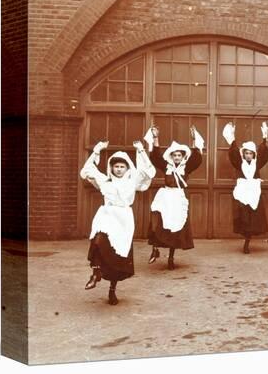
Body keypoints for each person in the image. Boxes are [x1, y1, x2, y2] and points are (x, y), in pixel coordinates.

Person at [80, 140, 155, 305]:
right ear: (111, 168)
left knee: (117, 255)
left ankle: (112, 290)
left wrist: (141, 151)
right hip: (106, 215)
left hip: (123, 219)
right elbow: (86, 171)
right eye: (116, 166)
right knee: (98, 240)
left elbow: (149, 172)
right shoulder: (105, 181)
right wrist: (97, 150)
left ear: (128, 168)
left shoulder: (132, 181)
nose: (119, 169)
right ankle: (95, 273)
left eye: (122, 166)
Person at [145, 125, 204, 270]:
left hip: (178, 197)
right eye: (175, 155)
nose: (177, 158)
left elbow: (197, 158)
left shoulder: (186, 167)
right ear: (171, 156)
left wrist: (194, 139)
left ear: (183, 156)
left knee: (176, 227)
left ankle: (171, 257)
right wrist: (156, 138)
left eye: (179, 155)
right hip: (165, 196)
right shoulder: (167, 166)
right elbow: (156, 157)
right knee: (157, 219)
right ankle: (155, 249)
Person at [223, 121, 268, 254]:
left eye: (251, 153)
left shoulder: (257, 163)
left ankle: (248, 240)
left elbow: (264, 152)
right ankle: (246, 238)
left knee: (253, 216)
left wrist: (264, 137)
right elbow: (233, 153)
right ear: (243, 154)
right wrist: (232, 139)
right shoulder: (240, 163)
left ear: (254, 154)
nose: (248, 155)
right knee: (243, 216)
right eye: (246, 153)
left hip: (254, 192)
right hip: (243, 191)